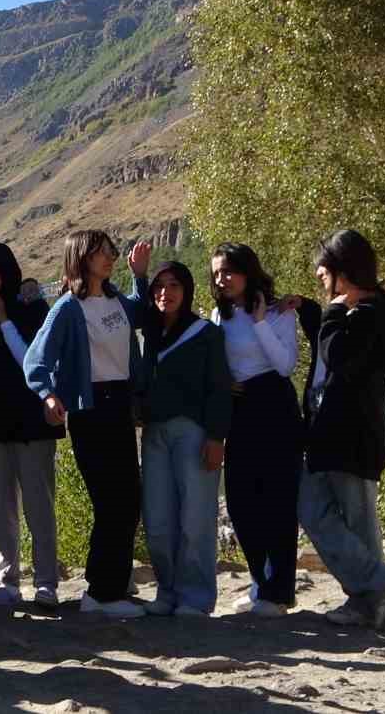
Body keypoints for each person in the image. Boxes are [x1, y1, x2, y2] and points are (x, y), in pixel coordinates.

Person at [24, 231, 152, 620]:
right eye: (100, 253)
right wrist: (48, 394)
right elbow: (36, 360)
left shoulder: (115, 300)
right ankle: (101, 593)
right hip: (90, 410)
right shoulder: (66, 308)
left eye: (110, 252)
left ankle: (110, 590)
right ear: (81, 258)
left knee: (128, 500)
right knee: (110, 502)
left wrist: (140, 276)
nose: (109, 257)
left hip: (119, 407)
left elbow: (143, 315)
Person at [298, 229, 385, 630]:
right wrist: (314, 310)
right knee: (312, 508)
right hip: (331, 434)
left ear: (343, 269)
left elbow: (339, 355)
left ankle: (370, 601)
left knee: (358, 524)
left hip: (354, 434)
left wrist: (329, 314)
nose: (319, 276)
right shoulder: (352, 310)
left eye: (324, 269)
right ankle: (380, 584)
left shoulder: (371, 311)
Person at [0, 242, 60, 609]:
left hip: (30, 424)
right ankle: (9, 581)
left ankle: (46, 582)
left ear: (4, 270)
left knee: (39, 505)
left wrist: (3, 319)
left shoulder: (32, 307)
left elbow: (31, 363)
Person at [209, 243, 303, 617]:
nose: (222, 278)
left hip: (275, 404)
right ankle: (260, 581)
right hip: (241, 408)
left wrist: (262, 321)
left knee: (278, 501)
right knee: (241, 500)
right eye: (216, 273)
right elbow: (218, 358)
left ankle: (278, 593)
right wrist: (224, 381)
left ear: (248, 271)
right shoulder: (220, 315)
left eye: (229, 270)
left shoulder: (279, 312)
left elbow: (285, 365)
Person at [139, 262, 231, 618]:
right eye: (159, 286)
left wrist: (216, 437)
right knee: (158, 519)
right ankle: (167, 589)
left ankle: (196, 596)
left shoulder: (205, 333)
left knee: (195, 517)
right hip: (154, 435)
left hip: (195, 433)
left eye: (174, 284)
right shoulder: (150, 333)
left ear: (187, 290)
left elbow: (220, 388)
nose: (166, 292)